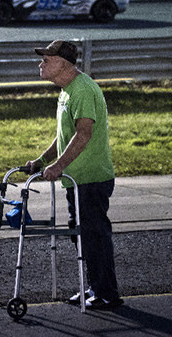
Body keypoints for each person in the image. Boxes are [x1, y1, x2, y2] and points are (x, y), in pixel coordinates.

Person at [27, 40, 122, 311]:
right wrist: (42, 161)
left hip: (91, 177)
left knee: (94, 236)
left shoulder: (82, 89)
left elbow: (83, 134)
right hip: (76, 179)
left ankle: (106, 293)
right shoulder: (67, 91)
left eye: (46, 60)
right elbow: (63, 136)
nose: (41, 64)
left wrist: (57, 166)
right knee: (80, 235)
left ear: (63, 64)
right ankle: (93, 287)